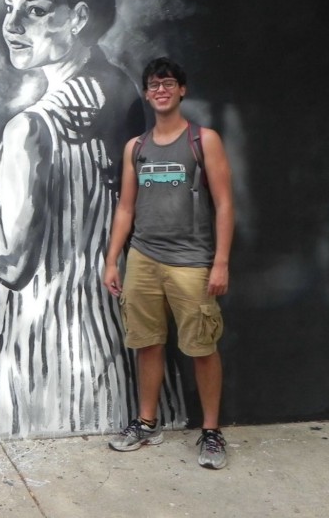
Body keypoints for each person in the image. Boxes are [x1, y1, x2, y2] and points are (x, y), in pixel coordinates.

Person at [0, 0, 184, 437]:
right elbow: (77, 202)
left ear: (79, 16)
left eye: (36, 10)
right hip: (120, 343)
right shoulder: (120, 91)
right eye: (8, 9)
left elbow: (10, 263)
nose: (12, 26)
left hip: (50, 358)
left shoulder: (31, 129)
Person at [103, 57, 234, 469]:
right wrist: (112, 260)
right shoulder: (136, 148)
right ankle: (146, 422)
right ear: (146, 93)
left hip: (192, 262)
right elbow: (125, 208)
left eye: (169, 83)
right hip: (143, 257)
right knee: (146, 342)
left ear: (182, 90)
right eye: (154, 84)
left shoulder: (203, 139)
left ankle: (211, 432)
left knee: (201, 347)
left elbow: (225, 204)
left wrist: (221, 262)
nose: (161, 89)